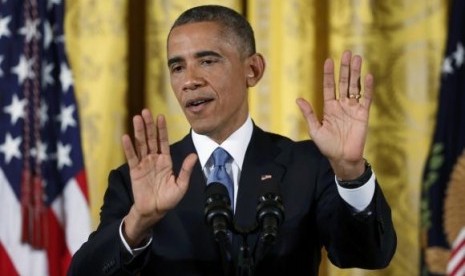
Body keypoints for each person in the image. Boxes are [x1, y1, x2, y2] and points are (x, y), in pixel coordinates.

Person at [68, 4, 396, 276]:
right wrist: (138, 223)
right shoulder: (136, 182)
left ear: (252, 70)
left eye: (208, 61)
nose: (189, 81)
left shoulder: (307, 166)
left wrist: (351, 172)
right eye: (177, 67)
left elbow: (369, 255)